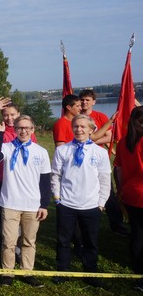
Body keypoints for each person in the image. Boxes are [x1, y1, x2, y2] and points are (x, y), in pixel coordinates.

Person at [0, 116, 52, 287]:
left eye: (27, 128)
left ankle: (27, 272)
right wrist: (0, 134)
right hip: (10, 203)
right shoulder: (7, 147)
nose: (23, 131)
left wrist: (44, 205)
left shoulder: (41, 152)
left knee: (28, 241)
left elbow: (45, 181)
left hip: (32, 205)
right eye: (19, 128)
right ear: (15, 130)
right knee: (8, 241)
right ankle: (8, 273)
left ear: (32, 129)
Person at [51, 114, 111, 287]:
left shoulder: (100, 153)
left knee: (90, 241)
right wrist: (57, 198)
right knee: (63, 240)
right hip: (66, 204)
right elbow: (56, 175)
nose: (79, 129)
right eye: (76, 126)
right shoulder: (63, 150)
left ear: (91, 130)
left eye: (83, 126)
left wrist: (101, 203)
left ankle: (90, 272)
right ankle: (63, 271)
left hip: (91, 205)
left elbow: (105, 180)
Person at [0, 97, 38, 259]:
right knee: (4, 214)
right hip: (2, 180)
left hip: (23, 181)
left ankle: (20, 246)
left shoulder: (27, 132)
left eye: (12, 114)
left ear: (18, 114)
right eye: (5, 115)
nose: (9, 118)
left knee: (23, 213)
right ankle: (6, 245)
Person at [80, 89, 129, 237]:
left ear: (93, 102)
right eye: (82, 100)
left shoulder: (100, 117)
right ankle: (81, 227)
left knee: (108, 192)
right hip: (81, 159)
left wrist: (90, 141)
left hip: (98, 158)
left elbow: (109, 137)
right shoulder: (77, 116)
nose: (84, 102)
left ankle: (117, 225)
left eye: (87, 100)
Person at [114, 106, 143, 291]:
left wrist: (120, 190)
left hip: (131, 193)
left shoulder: (124, 142)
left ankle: (138, 273)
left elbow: (118, 169)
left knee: (137, 233)